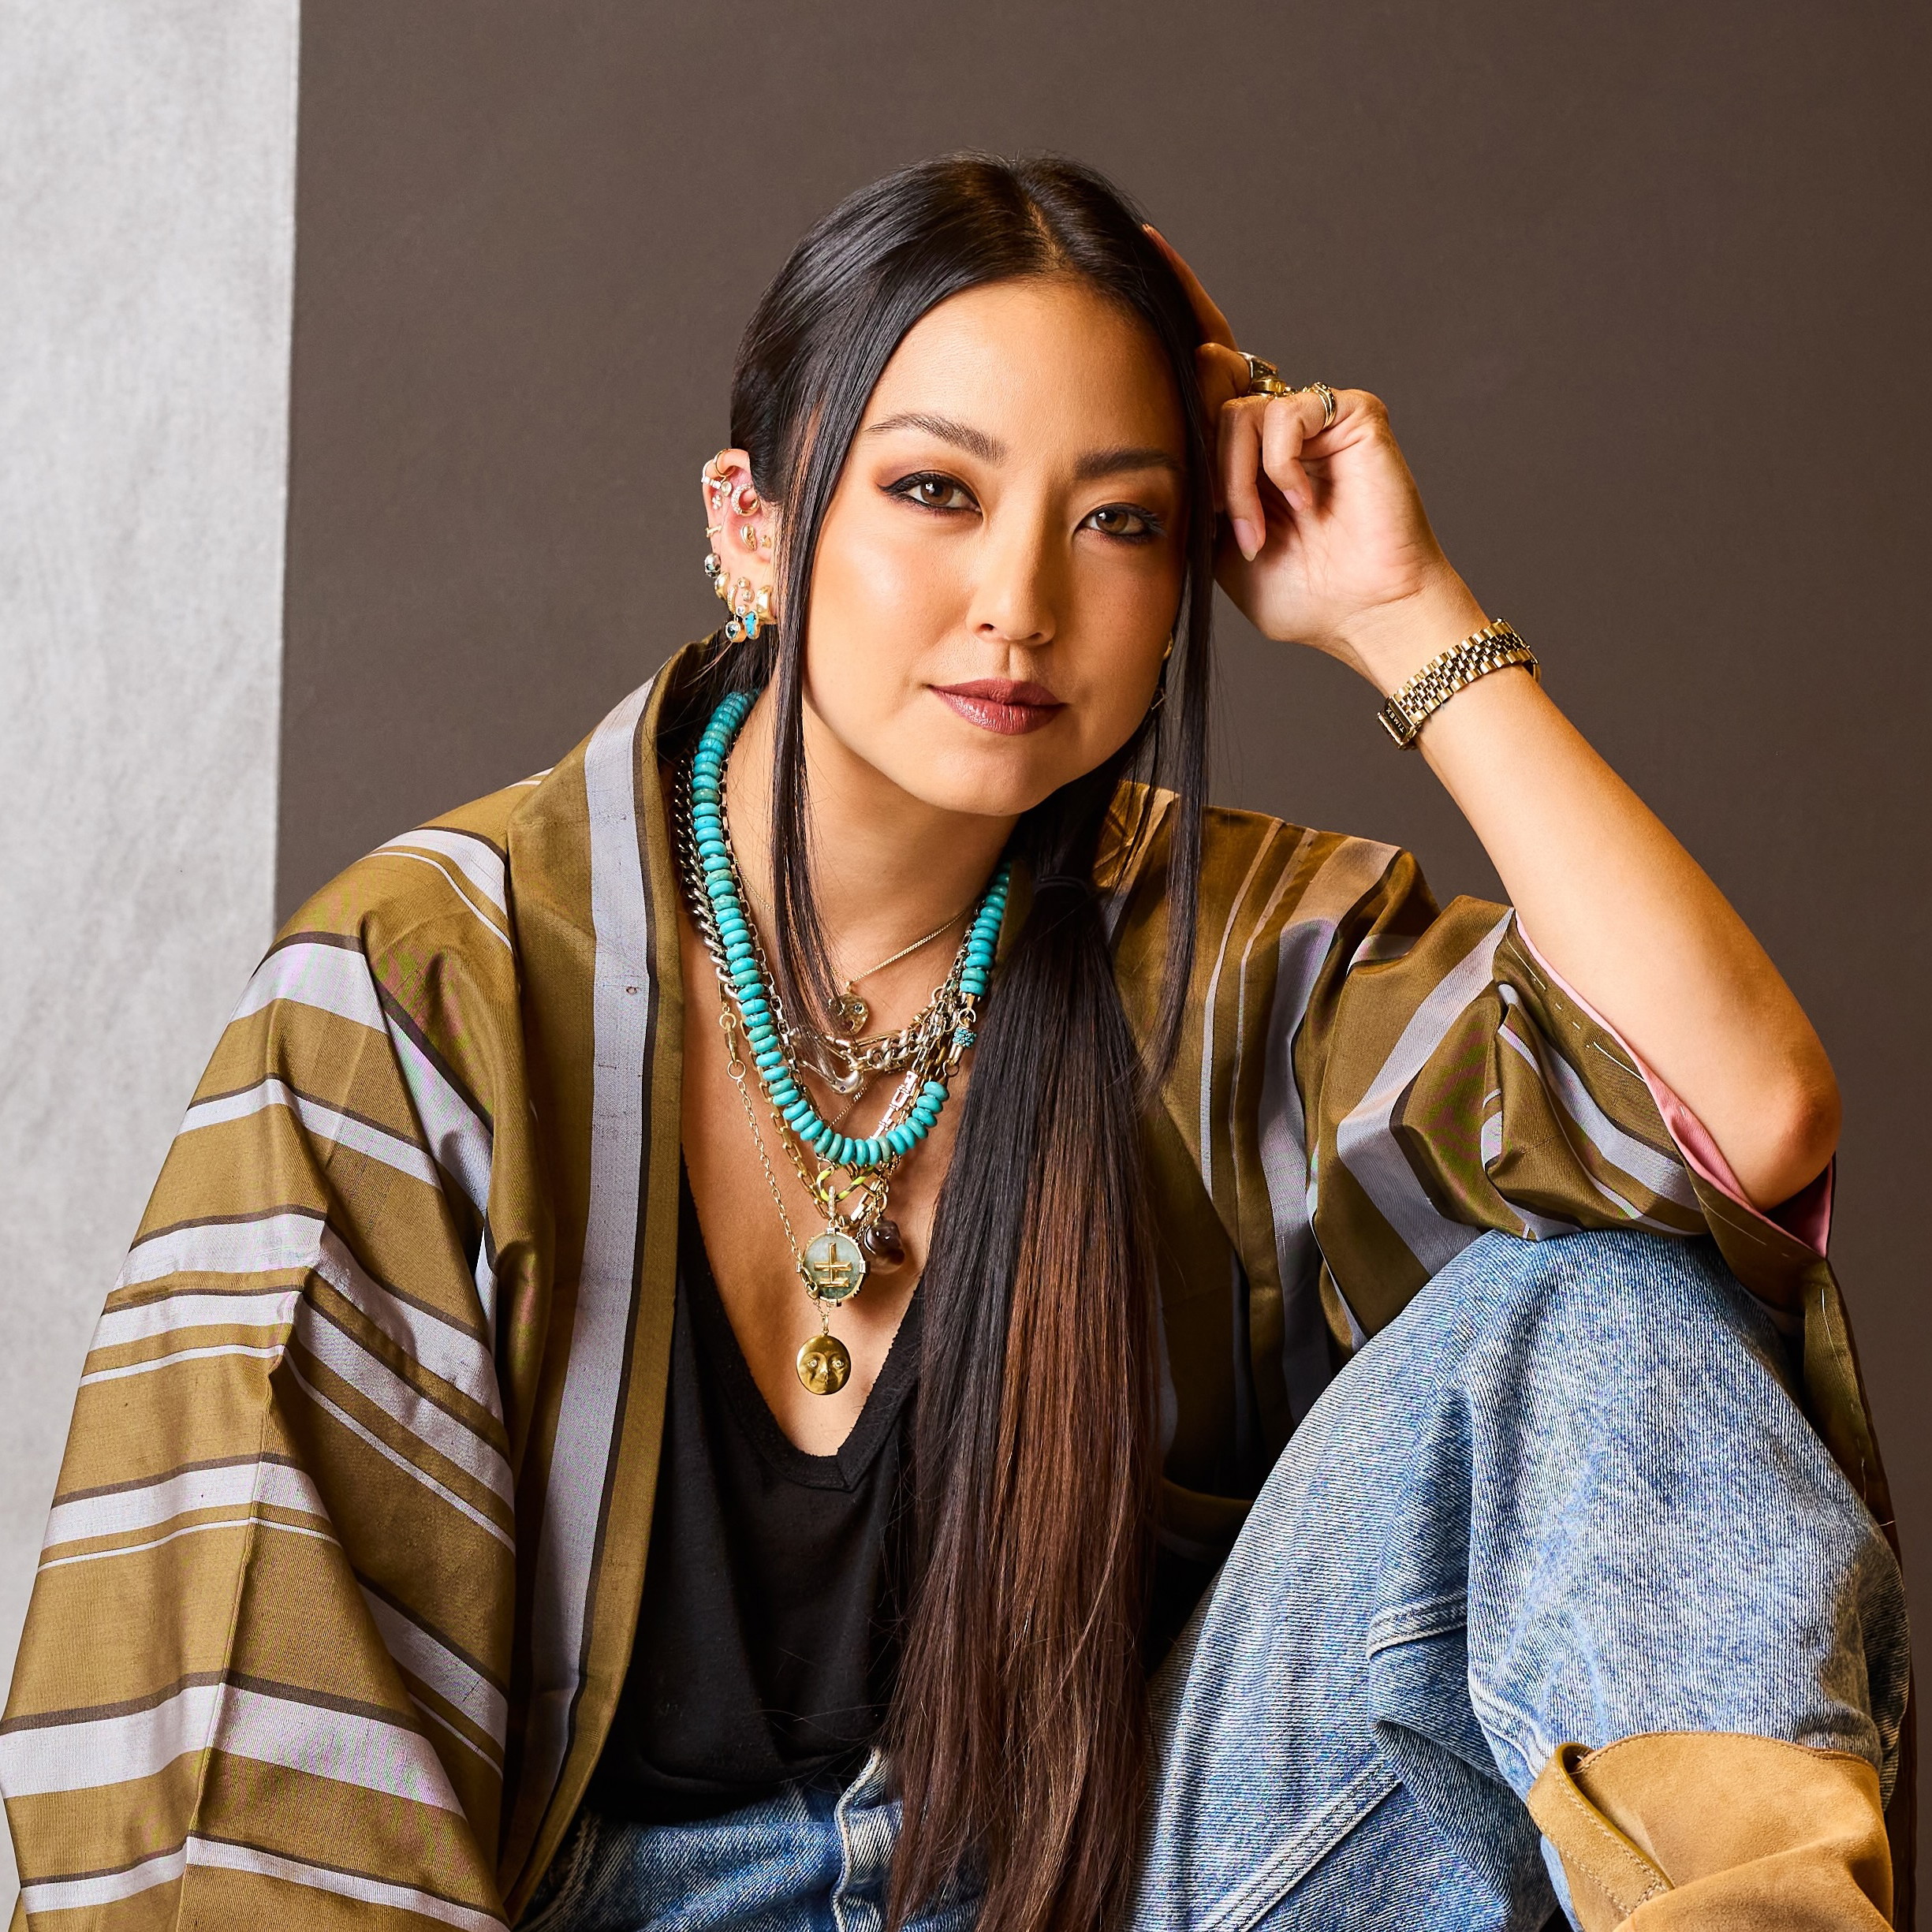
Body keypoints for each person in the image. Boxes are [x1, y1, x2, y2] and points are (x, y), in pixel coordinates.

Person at [0, 154, 1908, 1932]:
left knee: (1598, 1307)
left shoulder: (1233, 955)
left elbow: (1726, 1112)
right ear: (749, 525)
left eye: (1118, 520)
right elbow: (244, 1750)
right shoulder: (434, 988)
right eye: (935, 490)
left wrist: (1403, 610)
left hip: (1113, 1884)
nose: (1021, 599)